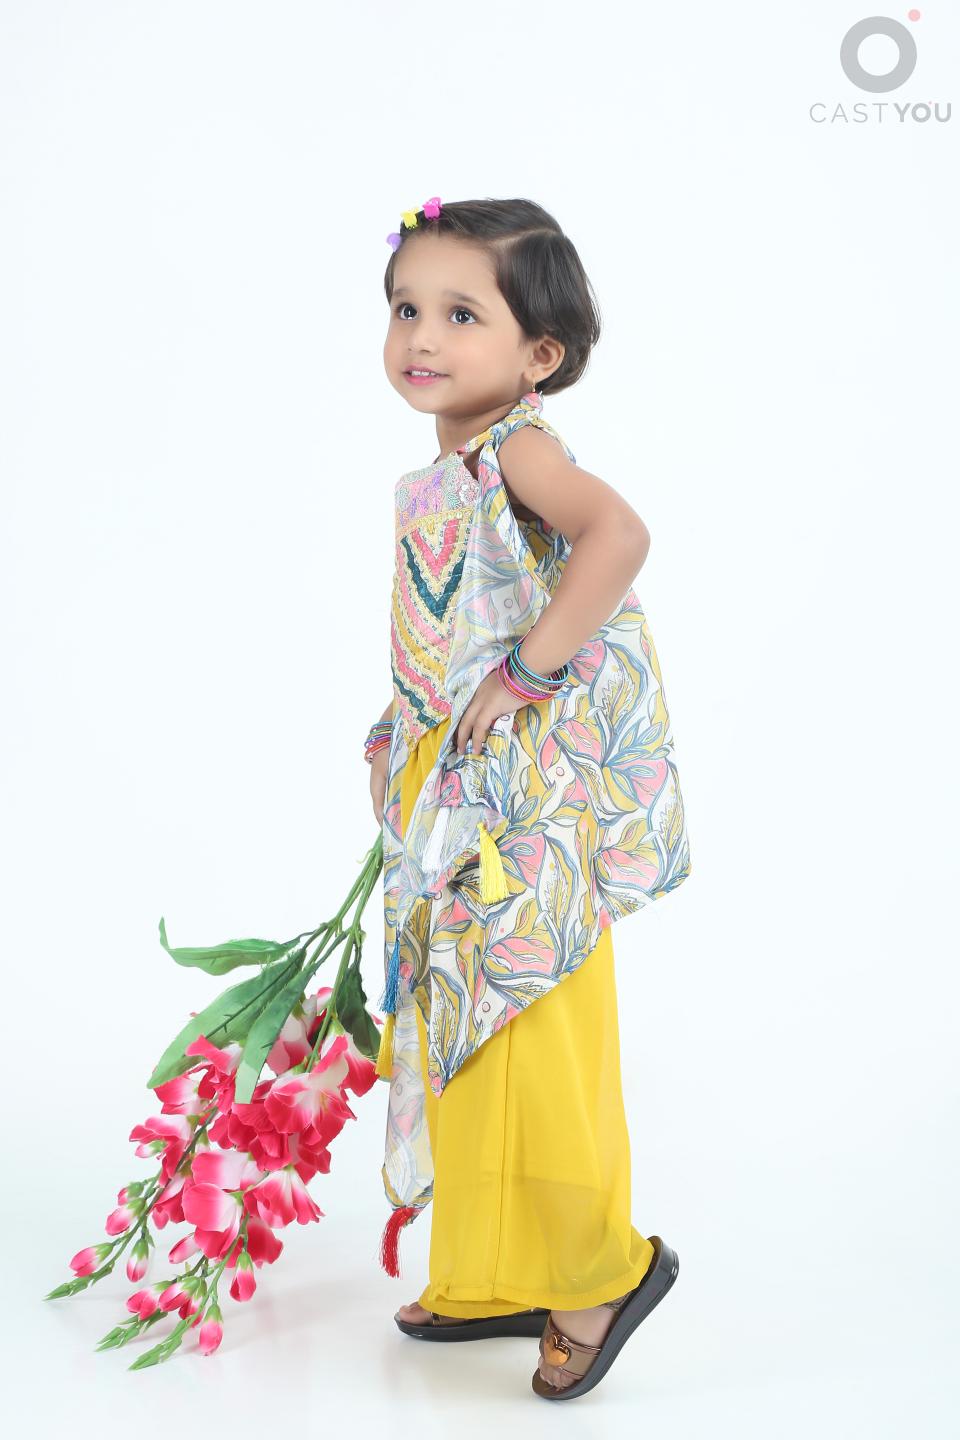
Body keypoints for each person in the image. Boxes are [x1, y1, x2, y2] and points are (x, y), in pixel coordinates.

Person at [364, 195, 691, 1401]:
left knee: (531, 1027)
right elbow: (457, 624)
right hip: (464, 795)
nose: (421, 335)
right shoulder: (443, 471)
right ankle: (502, 1271)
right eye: (406, 307)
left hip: (526, 808)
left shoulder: (520, 450)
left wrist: (528, 675)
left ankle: (600, 1272)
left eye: (461, 313)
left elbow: (619, 535)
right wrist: (400, 725)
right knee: (466, 1029)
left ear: (538, 354)